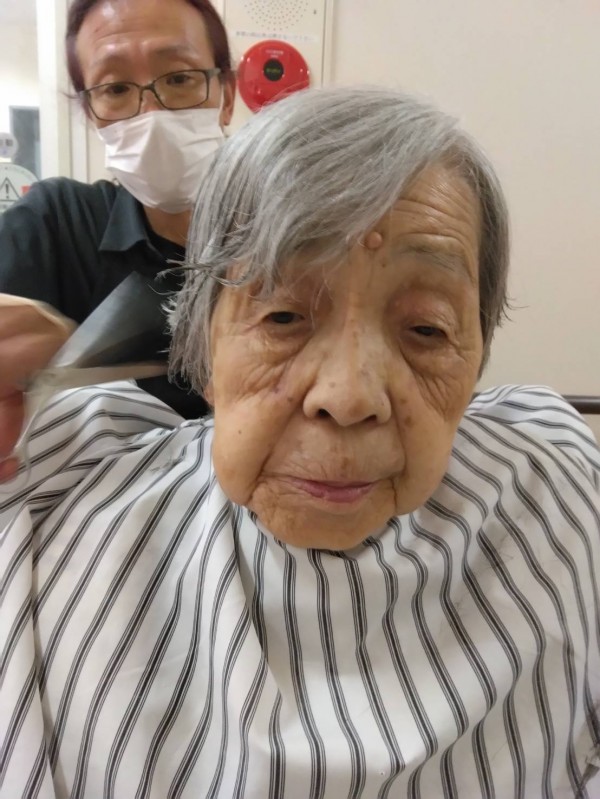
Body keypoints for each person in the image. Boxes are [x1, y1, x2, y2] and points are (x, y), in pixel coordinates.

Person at [2, 86, 599, 798]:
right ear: (203, 343)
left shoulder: (559, 489)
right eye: (282, 316)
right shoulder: (59, 492)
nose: (348, 396)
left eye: (427, 329)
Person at [0, 0, 236, 482]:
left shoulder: (291, 242)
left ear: (226, 95)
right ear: (92, 113)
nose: (152, 112)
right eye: (116, 89)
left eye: (179, 78)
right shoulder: (56, 222)